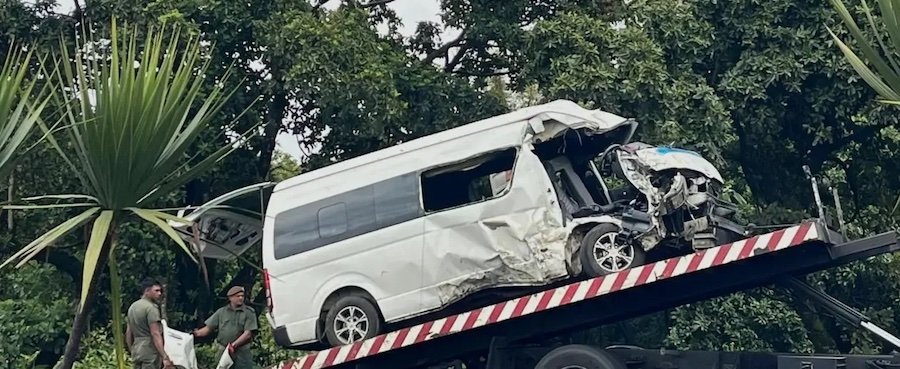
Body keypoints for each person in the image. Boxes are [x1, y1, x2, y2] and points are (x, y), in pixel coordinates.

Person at [193, 286, 258, 369]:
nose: (241, 298)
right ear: (230, 298)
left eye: (242, 296)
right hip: (223, 350)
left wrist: (233, 345)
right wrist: (195, 333)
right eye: (238, 296)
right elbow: (208, 328)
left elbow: (247, 334)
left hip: (242, 352)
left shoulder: (249, 312)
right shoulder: (221, 312)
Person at [126, 278, 173, 369]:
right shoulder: (151, 308)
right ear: (147, 291)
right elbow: (155, 333)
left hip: (136, 350)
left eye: (160, 291)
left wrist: (132, 350)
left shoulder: (132, 307)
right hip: (149, 350)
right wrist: (164, 356)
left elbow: (128, 333)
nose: (159, 294)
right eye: (156, 291)